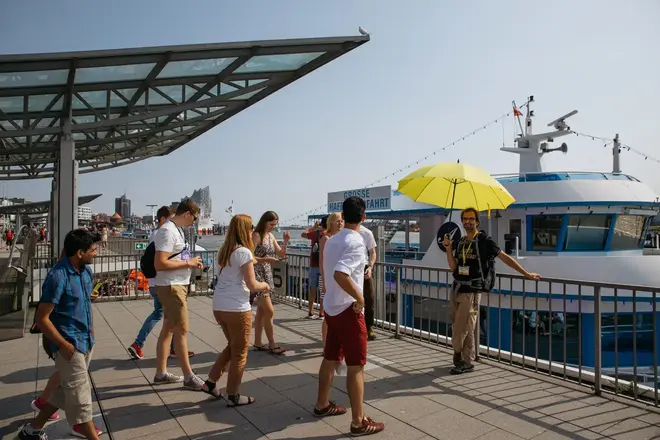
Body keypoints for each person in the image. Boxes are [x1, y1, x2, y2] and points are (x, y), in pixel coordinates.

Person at [19, 229, 101, 440]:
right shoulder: (58, 277)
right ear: (80, 253)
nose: (96, 253)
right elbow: (41, 318)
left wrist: (90, 329)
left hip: (86, 341)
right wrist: (63, 346)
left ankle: (32, 429)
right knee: (82, 401)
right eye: (92, 250)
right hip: (69, 345)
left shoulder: (85, 272)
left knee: (64, 391)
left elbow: (82, 303)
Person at [313, 196, 385, 436]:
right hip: (348, 311)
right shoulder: (356, 242)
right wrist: (360, 298)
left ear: (343, 216)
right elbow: (341, 274)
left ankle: (322, 404)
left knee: (330, 358)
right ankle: (358, 422)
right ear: (363, 217)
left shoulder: (331, 240)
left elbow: (330, 272)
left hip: (331, 308)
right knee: (356, 367)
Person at [443, 207, 541, 374]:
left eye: (471, 219)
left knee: (460, 328)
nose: (468, 222)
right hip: (456, 288)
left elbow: (504, 257)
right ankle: (467, 361)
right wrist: (448, 249)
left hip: (471, 291)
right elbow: (453, 267)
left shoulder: (484, 240)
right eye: (465, 219)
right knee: (465, 326)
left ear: (477, 222)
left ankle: (458, 354)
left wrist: (525, 274)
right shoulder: (460, 242)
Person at [201, 214, 270, 405]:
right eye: (251, 227)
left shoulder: (224, 250)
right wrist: (265, 285)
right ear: (245, 230)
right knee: (240, 353)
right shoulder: (244, 252)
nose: (253, 230)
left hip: (219, 305)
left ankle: (210, 382)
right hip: (236, 308)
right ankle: (233, 395)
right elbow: (252, 284)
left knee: (233, 346)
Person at [127, 206, 193, 360]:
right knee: (167, 315)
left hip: (156, 282)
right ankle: (140, 344)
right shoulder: (163, 233)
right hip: (162, 282)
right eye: (171, 218)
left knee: (166, 316)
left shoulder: (157, 233)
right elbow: (162, 260)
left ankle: (171, 348)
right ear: (163, 219)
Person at [152, 198, 204, 389]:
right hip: (172, 286)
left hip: (175, 285)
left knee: (168, 329)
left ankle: (161, 373)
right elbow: (160, 263)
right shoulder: (168, 231)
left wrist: (189, 262)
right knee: (181, 330)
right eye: (195, 218)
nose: (194, 222)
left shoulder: (175, 229)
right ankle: (189, 377)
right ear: (188, 213)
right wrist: (188, 263)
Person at [252, 211, 289, 355]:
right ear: (264, 222)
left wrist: (285, 241)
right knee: (269, 311)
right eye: (271, 224)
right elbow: (249, 256)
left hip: (266, 273)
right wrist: (266, 259)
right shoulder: (257, 235)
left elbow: (281, 254)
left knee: (261, 312)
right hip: (257, 274)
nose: (273, 227)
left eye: (275, 225)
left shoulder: (270, 236)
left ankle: (257, 343)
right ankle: (272, 344)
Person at [318, 212, 343, 342]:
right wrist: (324, 282)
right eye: (337, 221)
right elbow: (322, 261)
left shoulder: (340, 238)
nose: (340, 223)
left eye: (342, 221)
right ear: (331, 222)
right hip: (328, 279)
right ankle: (325, 344)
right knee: (328, 314)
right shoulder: (326, 239)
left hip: (339, 279)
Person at [358, 224, 377, 341]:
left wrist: (370, 266)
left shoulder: (367, 232)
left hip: (364, 267)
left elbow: (372, 252)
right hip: (349, 267)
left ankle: (369, 326)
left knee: (369, 296)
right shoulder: (343, 231)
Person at [301, 220, 323, 318]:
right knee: (323, 291)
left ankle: (310, 311)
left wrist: (313, 227)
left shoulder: (315, 233)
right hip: (324, 266)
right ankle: (322, 313)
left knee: (312, 289)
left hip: (314, 265)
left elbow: (303, 234)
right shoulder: (330, 234)